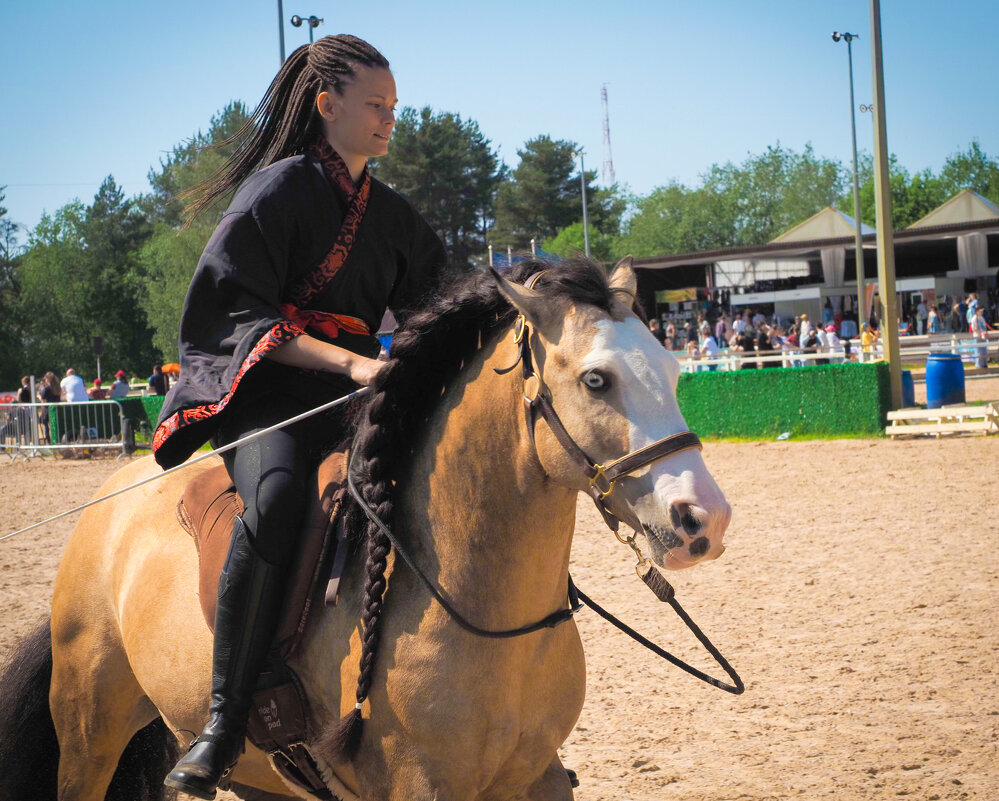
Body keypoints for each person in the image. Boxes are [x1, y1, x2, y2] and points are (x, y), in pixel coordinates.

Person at [153, 36, 447, 799]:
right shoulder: (275, 192)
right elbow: (236, 313)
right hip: (267, 396)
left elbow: (439, 304)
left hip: (356, 398)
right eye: (375, 105)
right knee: (279, 497)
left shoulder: (392, 214)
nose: (389, 119)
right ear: (327, 105)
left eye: (394, 106)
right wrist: (351, 361)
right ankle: (224, 723)